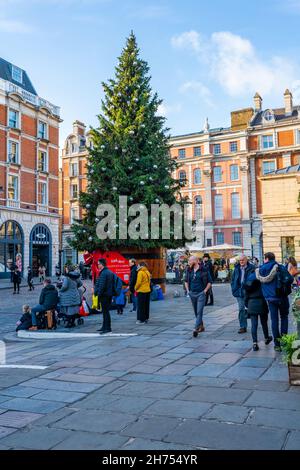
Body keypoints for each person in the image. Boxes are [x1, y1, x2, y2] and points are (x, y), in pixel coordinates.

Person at [255, 252, 293, 351]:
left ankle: (277, 344)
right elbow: (290, 279)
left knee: (274, 320)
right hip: (282, 297)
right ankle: (284, 341)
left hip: (270, 299)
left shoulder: (260, 269)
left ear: (266, 258)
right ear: (273, 258)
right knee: (284, 317)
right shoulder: (280, 267)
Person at [244, 271, 273, 351]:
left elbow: (245, 296)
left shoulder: (248, 282)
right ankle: (266, 338)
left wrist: (247, 305)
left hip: (251, 303)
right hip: (261, 302)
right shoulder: (261, 281)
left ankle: (254, 343)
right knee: (264, 323)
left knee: (254, 324)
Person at [185, 256, 212, 337]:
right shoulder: (189, 270)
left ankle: (195, 329)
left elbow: (210, 281)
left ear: (196, 261)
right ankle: (201, 326)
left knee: (199, 311)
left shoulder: (204, 269)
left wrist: (205, 291)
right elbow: (186, 281)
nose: (189, 262)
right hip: (192, 293)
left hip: (201, 293)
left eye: (190, 260)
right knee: (196, 312)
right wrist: (188, 291)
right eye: (188, 260)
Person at [231, 255, 253, 333]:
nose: (241, 262)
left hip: (249, 291)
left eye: (243, 260)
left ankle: (254, 324)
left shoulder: (252, 268)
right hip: (239, 291)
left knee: (251, 309)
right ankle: (243, 326)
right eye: (240, 260)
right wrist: (234, 289)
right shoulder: (236, 268)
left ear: (246, 260)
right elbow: (233, 279)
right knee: (241, 308)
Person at [94, 258, 115, 334]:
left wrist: (98, 295)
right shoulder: (109, 272)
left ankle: (107, 328)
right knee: (105, 312)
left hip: (104, 295)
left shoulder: (103, 273)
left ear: (102, 264)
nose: (98, 265)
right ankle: (104, 326)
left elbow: (102, 286)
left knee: (105, 312)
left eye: (98, 264)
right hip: (108, 294)